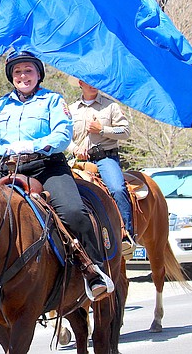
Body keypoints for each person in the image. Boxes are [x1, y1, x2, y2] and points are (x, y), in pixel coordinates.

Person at [0, 51, 114, 300]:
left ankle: (94, 269)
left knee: (73, 213)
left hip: (46, 167)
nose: (22, 76)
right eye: (17, 71)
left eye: (28, 70)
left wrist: (34, 145)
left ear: (38, 74)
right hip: (8, 167)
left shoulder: (53, 101)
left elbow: (62, 135)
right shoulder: (0, 105)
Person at [68, 79, 135, 257]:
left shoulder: (111, 106)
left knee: (117, 188)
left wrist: (102, 129)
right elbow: (65, 136)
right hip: (78, 159)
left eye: (94, 79)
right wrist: (74, 148)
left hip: (105, 158)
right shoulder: (71, 109)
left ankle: (126, 235)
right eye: (87, 80)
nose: (92, 83)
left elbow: (126, 132)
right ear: (80, 83)